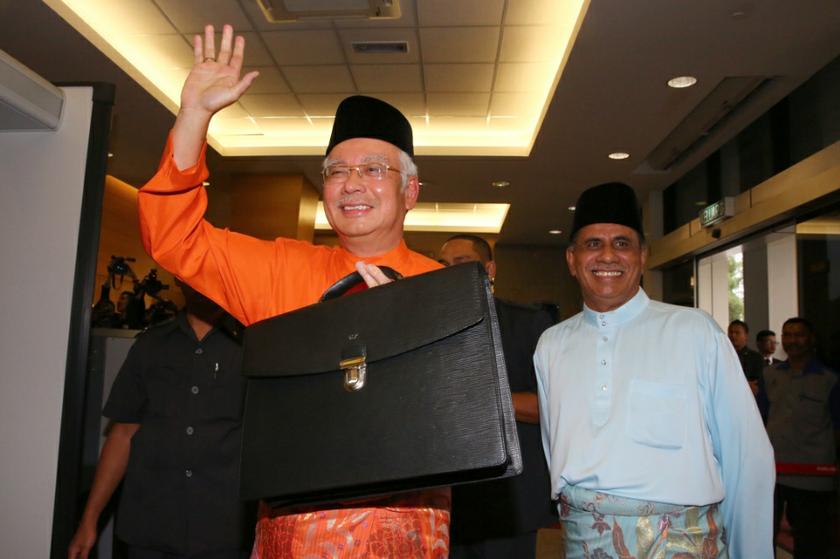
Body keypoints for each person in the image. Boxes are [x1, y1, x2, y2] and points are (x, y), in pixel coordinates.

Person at [137, 24, 448, 558]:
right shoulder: (282, 267)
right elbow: (173, 238)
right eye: (337, 171)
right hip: (295, 532)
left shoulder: (444, 291)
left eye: (375, 169)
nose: (352, 183)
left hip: (407, 532)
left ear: (410, 191)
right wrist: (193, 118)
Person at [533, 182, 775, 558]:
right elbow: (554, 448)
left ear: (643, 256)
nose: (608, 255)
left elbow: (747, 459)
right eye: (593, 243)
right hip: (583, 543)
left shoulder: (695, 331)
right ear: (571, 259)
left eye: (622, 243)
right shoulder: (551, 344)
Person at [68, 282, 251, 559]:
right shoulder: (151, 345)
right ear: (180, 278)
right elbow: (122, 433)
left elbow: (270, 440)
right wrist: (89, 519)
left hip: (224, 530)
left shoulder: (252, 347)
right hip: (150, 526)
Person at [438, 234, 556, 558]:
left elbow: (554, 406)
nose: (449, 272)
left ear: (489, 269)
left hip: (510, 501)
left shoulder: (529, 323)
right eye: (442, 266)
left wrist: (488, 397)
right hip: (447, 503)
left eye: (461, 264)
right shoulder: (431, 327)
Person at [758, 317, 840, 559]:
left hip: (813, 476)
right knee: (764, 534)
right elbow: (760, 418)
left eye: (799, 335)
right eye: (788, 335)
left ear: (811, 339)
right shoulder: (771, 374)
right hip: (773, 471)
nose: (793, 340)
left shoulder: (829, 379)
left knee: (811, 540)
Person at [728, 319, 765, 392]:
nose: (733, 335)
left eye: (737, 333)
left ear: (746, 336)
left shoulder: (756, 357)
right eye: (730, 332)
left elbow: (756, 384)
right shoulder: (723, 356)